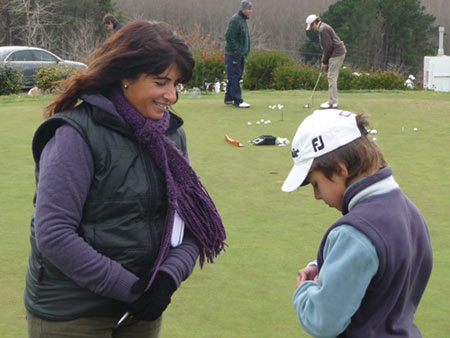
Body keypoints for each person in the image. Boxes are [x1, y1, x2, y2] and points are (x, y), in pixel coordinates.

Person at [24, 21, 227, 338]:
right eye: (161, 82)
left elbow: (193, 224)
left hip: (142, 311)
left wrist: (166, 281)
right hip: (72, 315)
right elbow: (53, 234)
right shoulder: (74, 135)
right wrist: (131, 289)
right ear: (125, 76)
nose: (171, 95)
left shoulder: (171, 136)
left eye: (177, 84)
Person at [281, 109, 433, 337]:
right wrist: (327, 267)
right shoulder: (410, 212)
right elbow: (377, 272)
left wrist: (305, 289)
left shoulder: (353, 234)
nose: (317, 196)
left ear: (341, 170)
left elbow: (322, 321)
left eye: (315, 184)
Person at [306, 14, 346, 109]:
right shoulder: (323, 27)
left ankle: (332, 103)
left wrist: (324, 61)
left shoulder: (322, 29)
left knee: (331, 77)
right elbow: (326, 47)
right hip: (337, 53)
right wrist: (325, 60)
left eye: (311, 25)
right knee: (332, 77)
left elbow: (328, 47)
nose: (311, 28)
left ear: (315, 22)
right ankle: (332, 101)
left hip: (336, 53)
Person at [224, 0, 253, 108]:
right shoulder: (236, 19)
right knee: (235, 77)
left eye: (251, 9)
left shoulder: (243, 20)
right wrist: (236, 51)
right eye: (248, 9)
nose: (250, 11)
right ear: (243, 9)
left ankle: (229, 98)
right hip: (233, 54)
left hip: (239, 55)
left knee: (235, 76)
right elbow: (228, 36)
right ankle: (238, 100)